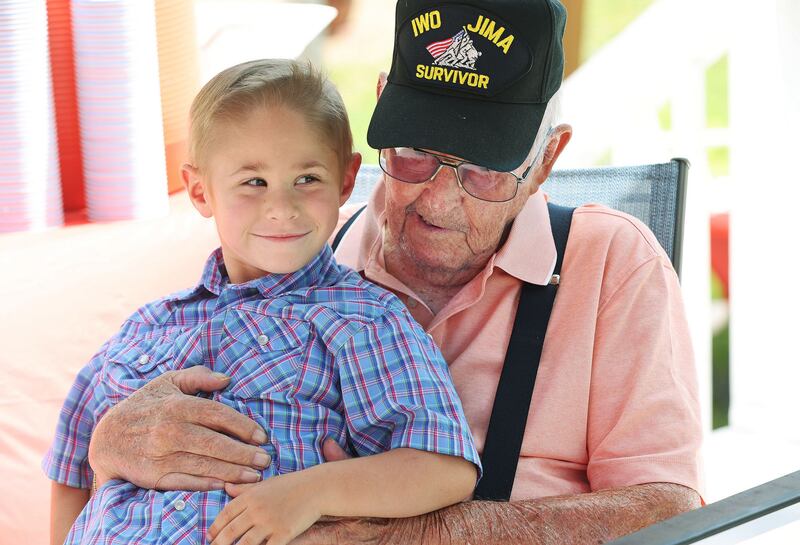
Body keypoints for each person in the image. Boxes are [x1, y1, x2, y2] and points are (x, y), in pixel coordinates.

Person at [83, 1, 704, 543]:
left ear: (546, 160)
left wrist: (422, 535)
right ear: (380, 105)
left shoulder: (611, 262)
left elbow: (670, 512)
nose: (437, 198)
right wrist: (107, 445)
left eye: (483, 168)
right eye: (413, 154)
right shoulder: (302, 242)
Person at [44, 58, 481, 545]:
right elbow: (73, 468)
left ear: (345, 180)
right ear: (198, 189)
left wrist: (309, 494)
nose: (281, 206)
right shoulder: (145, 327)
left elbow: (444, 468)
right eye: (253, 182)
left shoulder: (363, 318)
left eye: (307, 178)